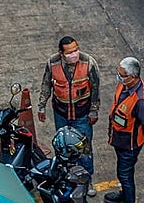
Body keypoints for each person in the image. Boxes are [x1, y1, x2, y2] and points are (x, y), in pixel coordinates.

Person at [37, 35, 101, 172]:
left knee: (84, 149)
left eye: (76, 50)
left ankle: (86, 178)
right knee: (63, 146)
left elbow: (95, 88)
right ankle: (65, 175)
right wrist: (41, 107)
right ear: (61, 53)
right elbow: (46, 85)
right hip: (61, 114)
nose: (74, 54)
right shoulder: (52, 63)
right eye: (69, 52)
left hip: (82, 115)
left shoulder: (88, 63)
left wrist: (94, 111)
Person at [104, 57, 144, 203]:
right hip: (120, 139)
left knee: (125, 175)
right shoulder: (127, 86)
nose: (119, 77)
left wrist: (135, 134)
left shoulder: (140, 100)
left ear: (133, 76)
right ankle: (124, 194)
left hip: (129, 144)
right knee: (123, 173)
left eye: (122, 75)